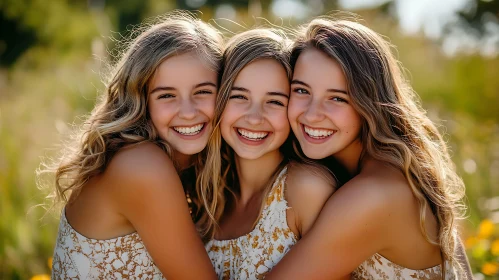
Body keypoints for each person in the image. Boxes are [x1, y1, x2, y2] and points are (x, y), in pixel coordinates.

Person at [265, 17, 467, 279]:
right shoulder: (402, 171)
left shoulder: (375, 195)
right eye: (302, 91)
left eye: (337, 98)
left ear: (370, 102)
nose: (312, 115)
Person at [45, 12, 222, 279]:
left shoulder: (167, 161)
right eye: (166, 95)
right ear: (140, 100)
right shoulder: (141, 165)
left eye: (203, 91)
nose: (188, 111)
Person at [197, 28, 345, 280]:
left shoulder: (305, 189)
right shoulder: (207, 194)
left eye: (275, 101)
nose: (254, 118)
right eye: (239, 96)